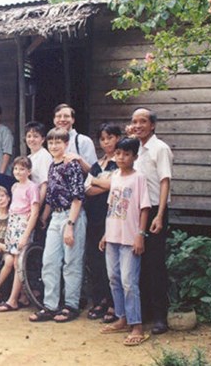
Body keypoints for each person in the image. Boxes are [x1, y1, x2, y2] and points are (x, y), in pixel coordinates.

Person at [29, 127, 86, 323]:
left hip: (72, 215)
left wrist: (70, 224)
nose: (54, 146)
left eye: (58, 142)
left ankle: (71, 305)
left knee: (71, 262)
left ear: (66, 144)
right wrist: (45, 217)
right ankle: (50, 305)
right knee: (50, 261)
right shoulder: (52, 166)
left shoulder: (72, 166)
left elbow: (78, 196)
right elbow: (52, 197)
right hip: (55, 216)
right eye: (51, 142)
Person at [99, 137, 151, 346]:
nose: (121, 157)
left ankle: (136, 325)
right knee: (114, 277)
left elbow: (144, 207)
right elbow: (111, 207)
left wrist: (140, 234)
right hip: (112, 236)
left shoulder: (139, 178)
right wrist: (105, 233)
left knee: (129, 282)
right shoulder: (115, 177)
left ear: (134, 157)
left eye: (126, 154)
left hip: (130, 238)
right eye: (118, 153)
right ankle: (121, 317)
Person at [130, 107, 174, 335]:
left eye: (143, 121)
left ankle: (160, 317)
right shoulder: (135, 149)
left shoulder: (160, 148)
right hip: (137, 211)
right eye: (135, 122)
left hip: (156, 210)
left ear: (153, 125)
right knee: (139, 263)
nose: (138, 126)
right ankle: (144, 312)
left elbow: (165, 182)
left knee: (155, 264)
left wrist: (159, 214)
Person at [84, 124, 121, 323]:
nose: (106, 142)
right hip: (94, 217)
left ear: (117, 138)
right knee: (95, 260)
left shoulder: (121, 162)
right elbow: (86, 189)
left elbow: (116, 186)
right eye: (102, 139)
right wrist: (103, 183)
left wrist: (98, 182)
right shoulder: (98, 164)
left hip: (112, 216)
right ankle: (100, 300)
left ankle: (114, 303)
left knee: (111, 262)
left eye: (109, 138)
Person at [0, 157, 40, 312]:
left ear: (29, 171)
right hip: (13, 224)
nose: (18, 172)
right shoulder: (14, 187)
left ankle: (12, 300)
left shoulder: (32, 187)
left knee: (19, 263)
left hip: (23, 226)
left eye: (22, 169)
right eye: (16, 169)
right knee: (15, 263)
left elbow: (34, 213)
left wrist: (26, 236)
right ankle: (23, 296)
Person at [53, 103, 97, 172]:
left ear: (73, 120)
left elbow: (95, 172)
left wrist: (79, 160)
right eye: (58, 116)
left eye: (66, 116)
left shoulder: (84, 141)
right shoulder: (52, 143)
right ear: (54, 120)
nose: (62, 119)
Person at [25, 121, 53, 204]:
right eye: (29, 136)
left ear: (43, 139)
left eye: (35, 136)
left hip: (40, 201)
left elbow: (45, 185)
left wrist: (37, 208)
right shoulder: (29, 157)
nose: (31, 139)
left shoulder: (44, 156)